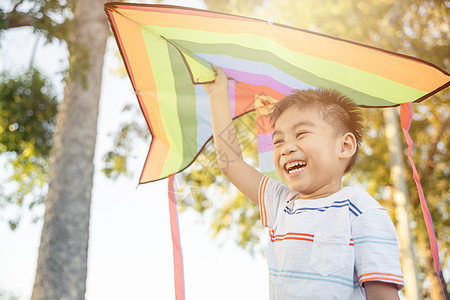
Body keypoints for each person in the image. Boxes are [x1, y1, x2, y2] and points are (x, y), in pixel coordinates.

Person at [204, 66, 403, 299]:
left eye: (301, 134)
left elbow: (382, 295)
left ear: (345, 146)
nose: (286, 147)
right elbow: (231, 164)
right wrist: (217, 95)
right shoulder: (281, 203)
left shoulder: (360, 209)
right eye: (278, 140)